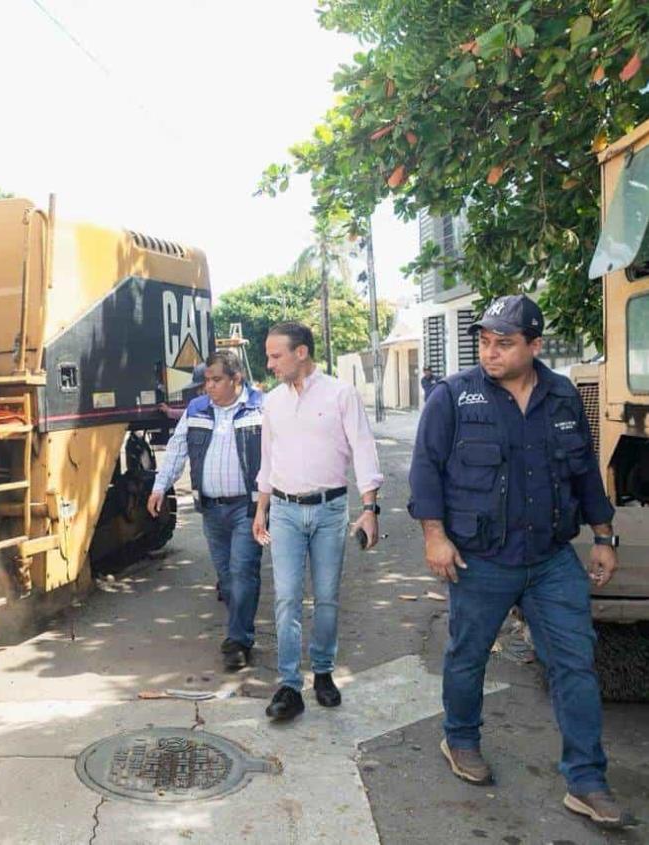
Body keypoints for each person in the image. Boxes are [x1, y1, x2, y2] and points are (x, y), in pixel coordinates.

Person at [408, 294, 633, 830]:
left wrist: (604, 537)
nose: (490, 352)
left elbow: (583, 473)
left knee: (575, 663)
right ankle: (460, 739)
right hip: (482, 559)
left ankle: (586, 779)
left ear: (534, 345)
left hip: (551, 559)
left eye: (504, 343)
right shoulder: (453, 397)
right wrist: (434, 537)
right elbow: (425, 470)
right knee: (467, 656)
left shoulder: (562, 397)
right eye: (484, 342)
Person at [252, 322, 383, 721]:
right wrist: (261, 509)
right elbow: (267, 461)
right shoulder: (271, 402)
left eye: (276, 355)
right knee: (287, 597)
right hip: (286, 511)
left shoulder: (340, 394)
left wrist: (370, 508)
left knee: (326, 597)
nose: (270, 363)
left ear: (301, 353)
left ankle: (323, 672)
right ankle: (289, 685)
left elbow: (363, 448)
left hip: (330, 510)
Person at [148, 350, 265, 671]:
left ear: (236, 379)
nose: (208, 387)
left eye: (216, 380)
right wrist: (160, 486)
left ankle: (238, 639)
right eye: (206, 381)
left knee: (243, 572)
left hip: (248, 508)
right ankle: (239, 630)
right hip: (212, 510)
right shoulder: (197, 409)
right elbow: (177, 448)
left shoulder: (261, 408)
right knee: (227, 579)